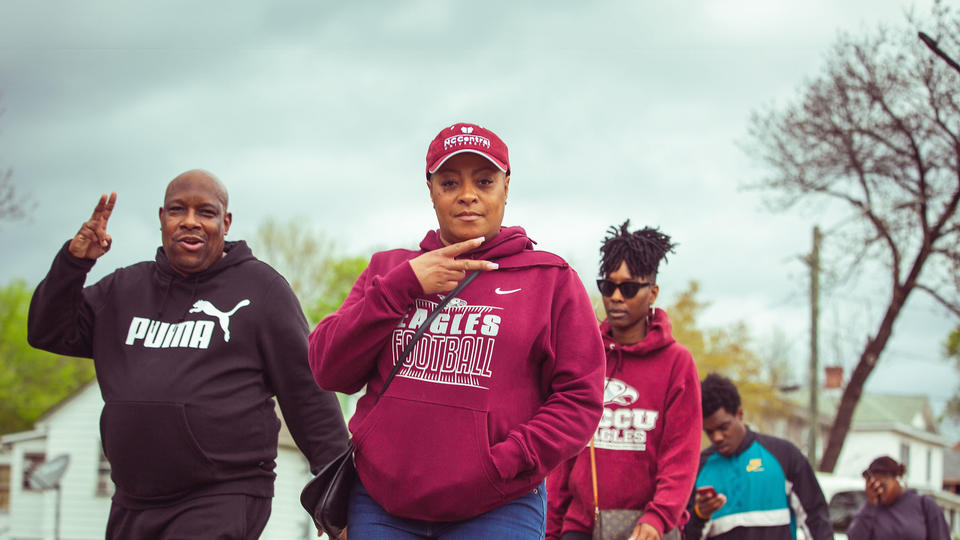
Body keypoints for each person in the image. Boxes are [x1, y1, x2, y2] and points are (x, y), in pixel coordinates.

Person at [309, 122, 606, 539]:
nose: (467, 194)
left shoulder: (550, 279)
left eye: (484, 181)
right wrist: (403, 285)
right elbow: (328, 368)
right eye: (450, 182)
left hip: (497, 505)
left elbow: (580, 398)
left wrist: (506, 460)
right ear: (430, 190)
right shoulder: (390, 270)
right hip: (381, 504)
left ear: (506, 187)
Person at [28, 170, 350, 539]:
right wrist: (73, 263)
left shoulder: (263, 291)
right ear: (162, 218)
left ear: (225, 223)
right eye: (178, 210)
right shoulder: (123, 289)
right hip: (134, 499)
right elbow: (47, 330)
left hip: (221, 495)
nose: (190, 222)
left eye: (206, 213)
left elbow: (307, 393)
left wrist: (337, 499)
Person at [546, 221, 702, 540]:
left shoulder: (677, 363)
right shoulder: (584, 356)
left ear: (652, 293)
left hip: (647, 529)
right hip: (579, 527)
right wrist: (551, 528)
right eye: (608, 286)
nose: (616, 297)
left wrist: (658, 518)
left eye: (629, 288)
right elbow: (564, 451)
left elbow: (682, 455)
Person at [684, 373, 832, 540]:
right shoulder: (698, 468)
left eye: (723, 427)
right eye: (709, 431)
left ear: (739, 414)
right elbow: (684, 534)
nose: (717, 437)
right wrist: (700, 514)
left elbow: (816, 518)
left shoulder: (784, 456)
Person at [847, 456, 950, 540]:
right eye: (874, 487)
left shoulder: (924, 505)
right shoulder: (870, 511)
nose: (879, 491)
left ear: (896, 479)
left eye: (883, 486)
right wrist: (870, 504)